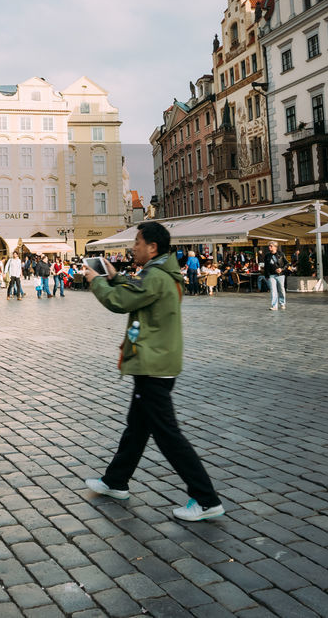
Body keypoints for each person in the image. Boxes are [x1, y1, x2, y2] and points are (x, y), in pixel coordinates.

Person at [82, 221, 225, 522]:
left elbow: (121, 301)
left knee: (168, 434)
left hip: (154, 364)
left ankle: (206, 498)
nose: (133, 247)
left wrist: (97, 281)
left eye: (137, 242)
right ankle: (115, 481)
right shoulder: (159, 273)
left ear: (153, 247)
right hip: (156, 360)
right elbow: (136, 291)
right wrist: (116, 275)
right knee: (137, 427)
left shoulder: (156, 276)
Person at [263, 241, 287, 311]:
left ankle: (282, 303)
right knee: (273, 290)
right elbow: (266, 266)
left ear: (275, 247)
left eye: (271, 246)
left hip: (280, 275)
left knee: (281, 289)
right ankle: (274, 306)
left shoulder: (281, 254)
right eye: (269, 246)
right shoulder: (267, 255)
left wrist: (281, 269)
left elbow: (287, 263)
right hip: (271, 275)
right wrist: (266, 275)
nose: (269, 247)